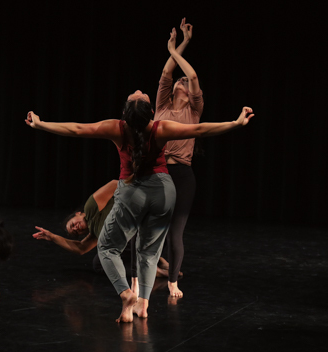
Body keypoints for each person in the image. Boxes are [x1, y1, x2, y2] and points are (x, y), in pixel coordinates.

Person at [25, 44, 253, 321]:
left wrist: (41, 124)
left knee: (107, 248)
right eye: (141, 95)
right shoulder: (160, 127)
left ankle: (126, 293)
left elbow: (76, 129)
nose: (139, 90)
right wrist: (236, 122)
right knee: (149, 251)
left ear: (127, 113)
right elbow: (201, 129)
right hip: (163, 191)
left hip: (133, 192)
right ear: (148, 111)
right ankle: (143, 305)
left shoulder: (117, 128)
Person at [32, 180, 173, 295]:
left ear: (78, 214)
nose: (76, 228)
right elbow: (80, 248)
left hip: (144, 230)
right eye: (75, 231)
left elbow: (114, 184)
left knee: (111, 248)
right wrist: (52, 237)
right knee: (99, 263)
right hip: (140, 241)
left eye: (73, 225)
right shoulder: (96, 232)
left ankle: (152, 265)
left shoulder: (91, 207)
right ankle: (157, 264)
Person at [155, 18, 202, 298]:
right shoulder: (162, 104)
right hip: (157, 172)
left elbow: (193, 77)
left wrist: (177, 50)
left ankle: (173, 281)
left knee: (175, 233)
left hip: (182, 175)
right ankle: (137, 280)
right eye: (179, 80)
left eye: (185, 82)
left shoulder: (194, 111)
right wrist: (177, 47)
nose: (182, 80)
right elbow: (166, 74)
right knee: (145, 228)